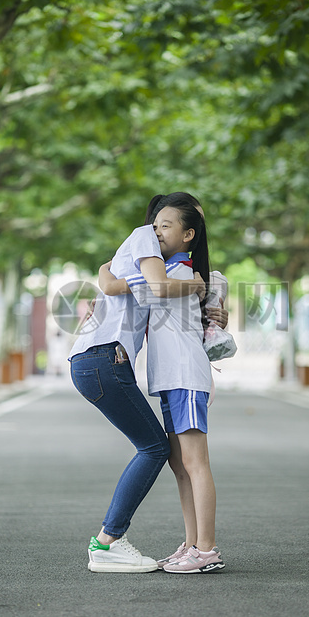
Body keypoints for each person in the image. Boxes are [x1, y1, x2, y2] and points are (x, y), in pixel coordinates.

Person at [99, 192, 226, 574]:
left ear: (190, 234)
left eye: (165, 226)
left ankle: (206, 549)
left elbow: (134, 283)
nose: (156, 233)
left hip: (185, 376)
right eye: (154, 226)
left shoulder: (183, 275)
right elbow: (111, 277)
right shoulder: (171, 273)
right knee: (179, 464)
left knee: (194, 462)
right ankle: (191, 543)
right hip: (171, 379)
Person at [68, 221, 206, 573]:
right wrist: (196, 284)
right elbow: (152, 286)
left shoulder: (152, 268)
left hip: (95, 360)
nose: (161, 232)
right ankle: (107, 541)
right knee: (156, 448)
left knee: (155, 447)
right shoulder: (146, 238)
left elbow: (118, 283)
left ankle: (109, 541)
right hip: (103, 359)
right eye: (161, 223)